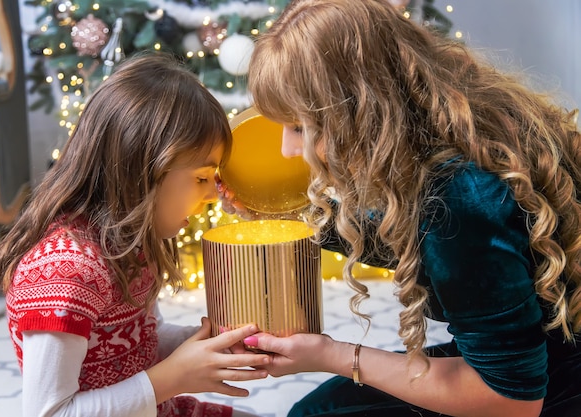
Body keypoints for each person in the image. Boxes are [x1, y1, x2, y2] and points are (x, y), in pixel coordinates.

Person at [222, 0, 581, 416]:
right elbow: (418, 242)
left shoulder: (460, 196)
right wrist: (293, 219)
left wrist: (330, 354)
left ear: (362, 109)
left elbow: (512, 401)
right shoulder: (455, 129)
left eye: (301, 127)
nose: (288, 149)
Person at [0, 52, 271, 417]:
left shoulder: (129, 243)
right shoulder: (65, 271)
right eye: (202, 178)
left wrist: (211, 344)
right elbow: (50, 413)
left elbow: (139, 342)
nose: (211, 196)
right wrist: (174, 377)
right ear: (141, 172)